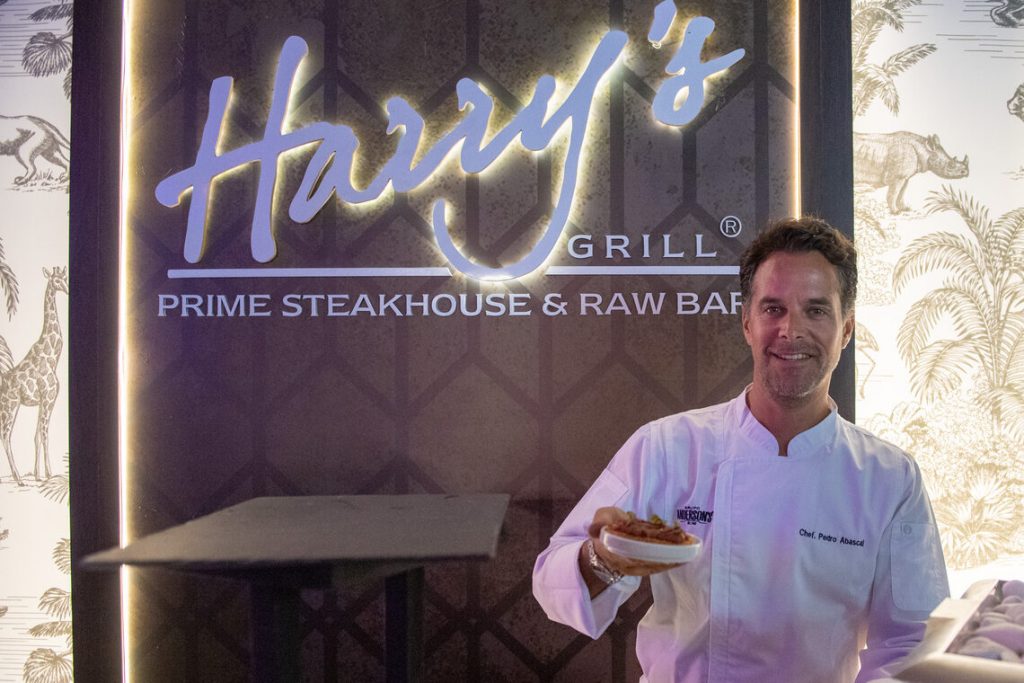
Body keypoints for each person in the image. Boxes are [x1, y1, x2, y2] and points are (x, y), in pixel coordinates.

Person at [532, 217, 949, 683]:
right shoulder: (668, 447)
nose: (791, 330)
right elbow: (551, 581)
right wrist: (604, 559)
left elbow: (911, 642)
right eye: (773, 308)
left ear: (846, 330)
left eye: (816, 310)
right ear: (747, 323)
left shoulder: (890, 478)